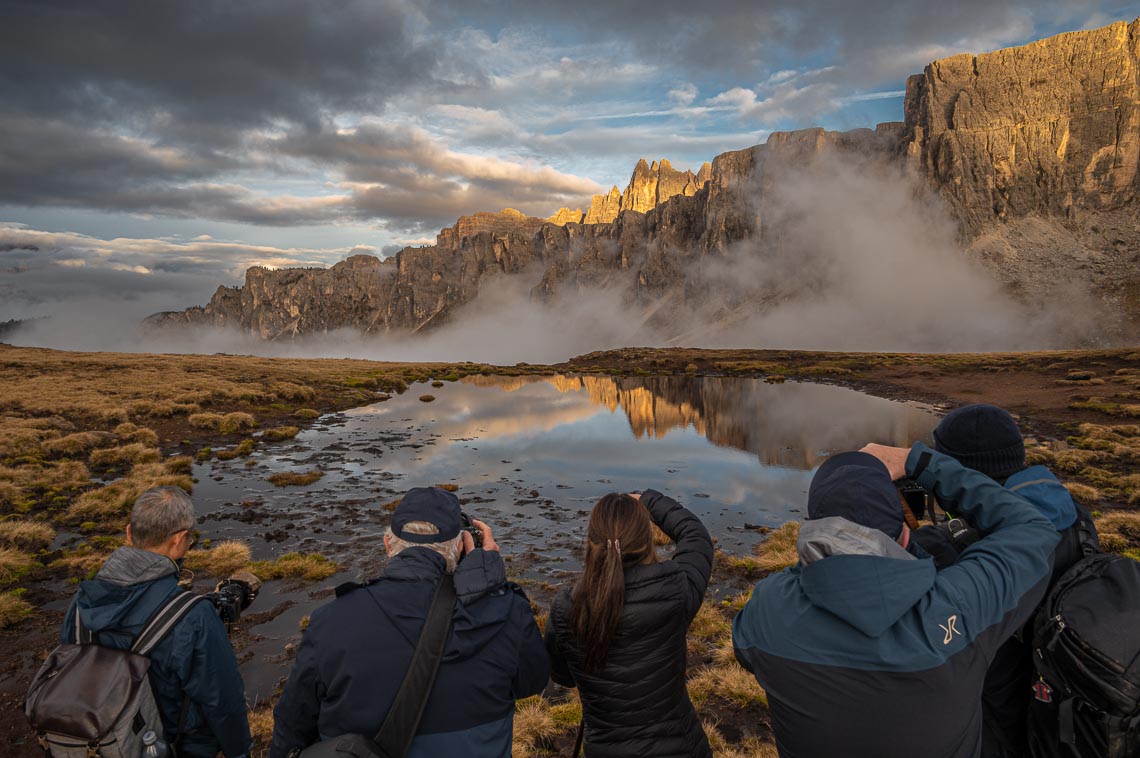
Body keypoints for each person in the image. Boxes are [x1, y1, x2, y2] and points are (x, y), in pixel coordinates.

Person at [732, 442, 1060, 758]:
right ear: (905, 535)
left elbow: (747, 642)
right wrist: (919, 462)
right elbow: (1034, 528)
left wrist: (822, 555)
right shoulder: (962, 603)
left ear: (814, 535)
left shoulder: (769, 609)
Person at [269, 486, 548, 758]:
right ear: (462, 547)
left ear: (388, 545)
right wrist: (488, 579)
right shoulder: (505, 612)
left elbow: (293, 723)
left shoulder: (331, 621)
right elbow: (532, 682)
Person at [912, 404, 1100, 758]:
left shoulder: (950, 546)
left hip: (994, 721)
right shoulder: (1074, 515)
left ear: (956, 475)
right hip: (1067, 705)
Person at [60, 486, 252, 758]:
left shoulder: (82, 603)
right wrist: (240, 752)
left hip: (97, 741)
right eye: (190, 539)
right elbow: (222, 701)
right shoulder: (193, 616)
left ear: (129, 533)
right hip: (173, 747)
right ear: (179, 540)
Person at [544, 489, 714, 757]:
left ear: (591, 544)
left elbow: (562, 676)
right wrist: (648, 499)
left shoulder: (566, 610)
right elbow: (696, 537)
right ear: (647, 542)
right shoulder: (675, 591)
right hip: (681, 748)